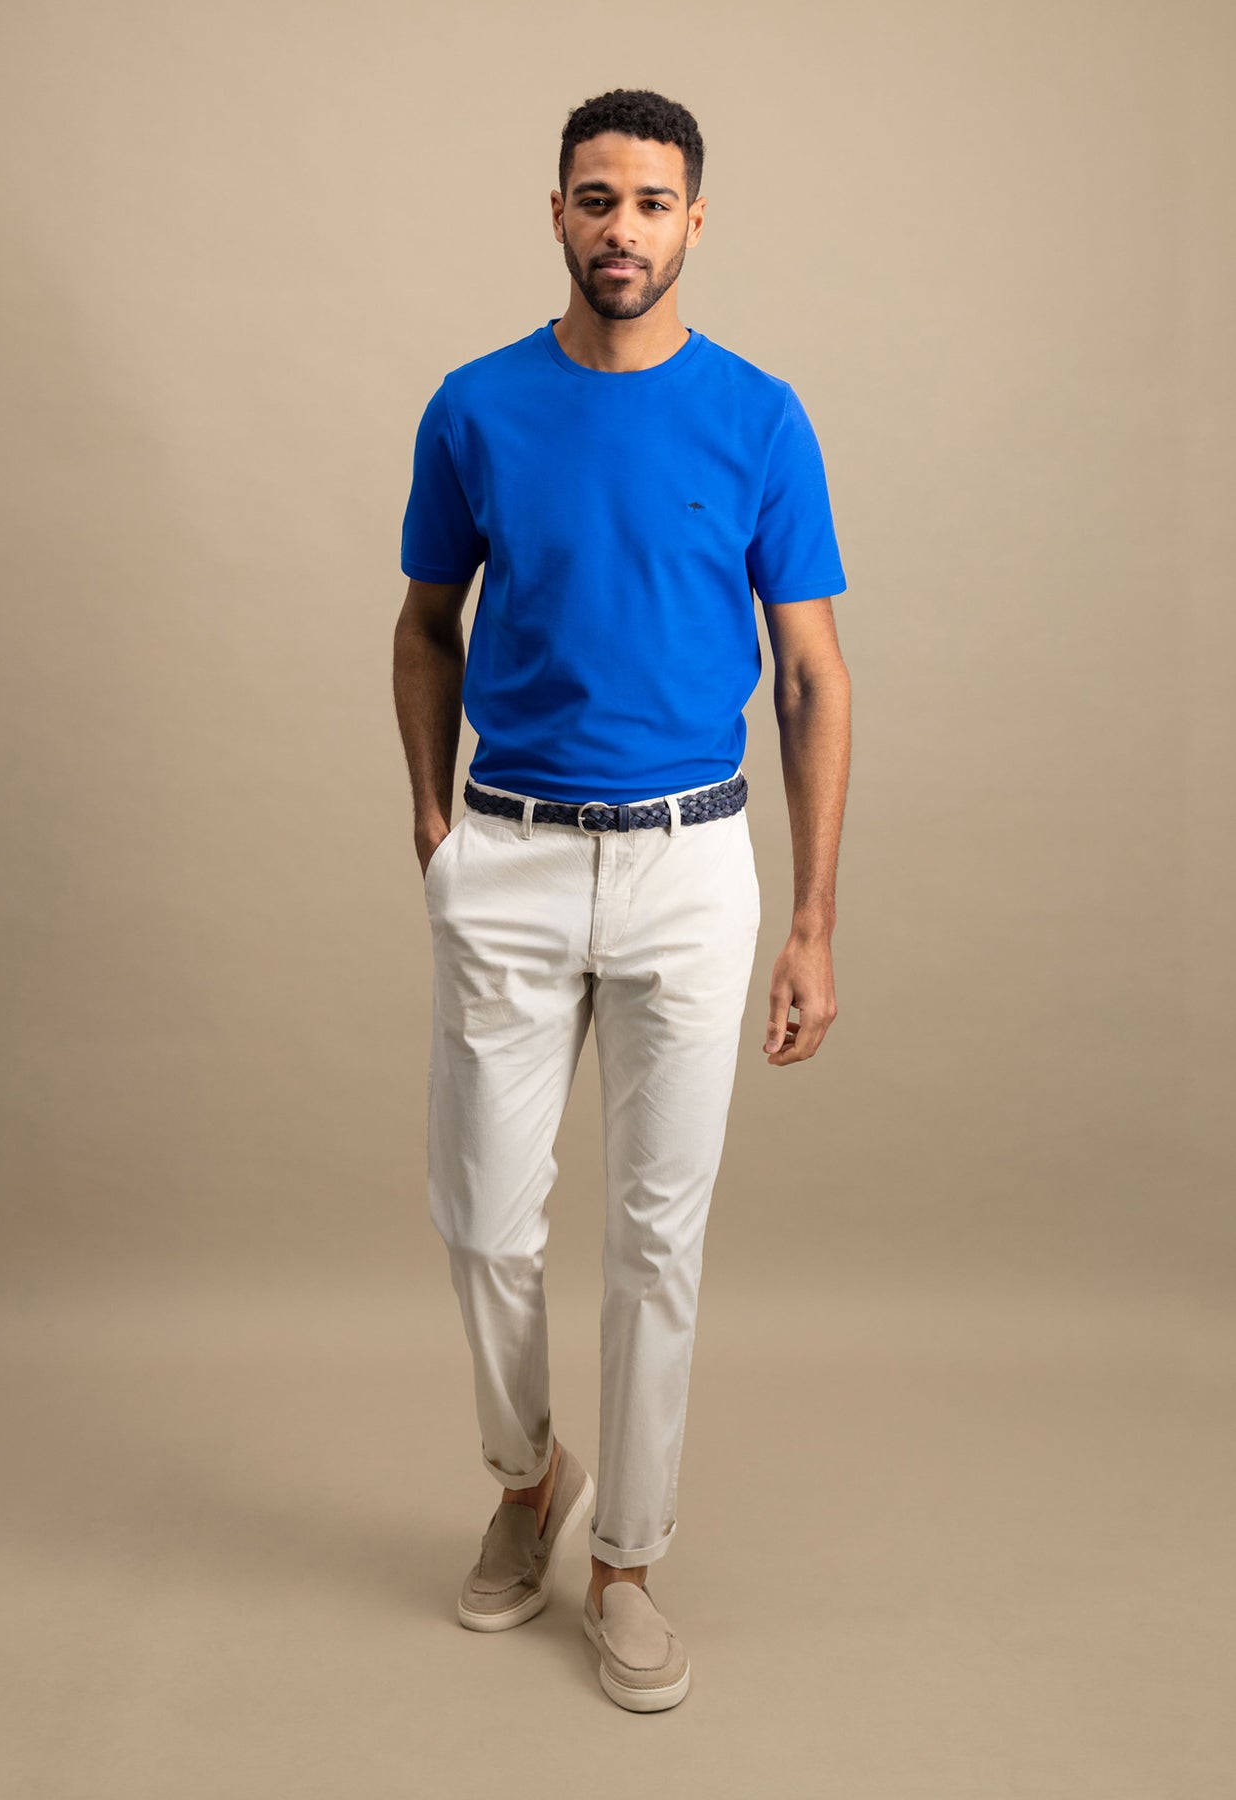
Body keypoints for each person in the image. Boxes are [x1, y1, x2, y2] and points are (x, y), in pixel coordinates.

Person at [392, 87, 851, 1712]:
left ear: (693, 223)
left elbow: (810, 675)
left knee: (658, 1239)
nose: (622, 228)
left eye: (652, 203)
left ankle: (628, 1561)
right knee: (482, 1219)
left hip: (687, 866)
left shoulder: (759, 418)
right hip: (510, 857)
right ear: (557, 214)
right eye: (596, 198)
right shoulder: (475, 407)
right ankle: (529, 1480)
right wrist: (433, 824)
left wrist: (810, 922)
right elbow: (426, 621)